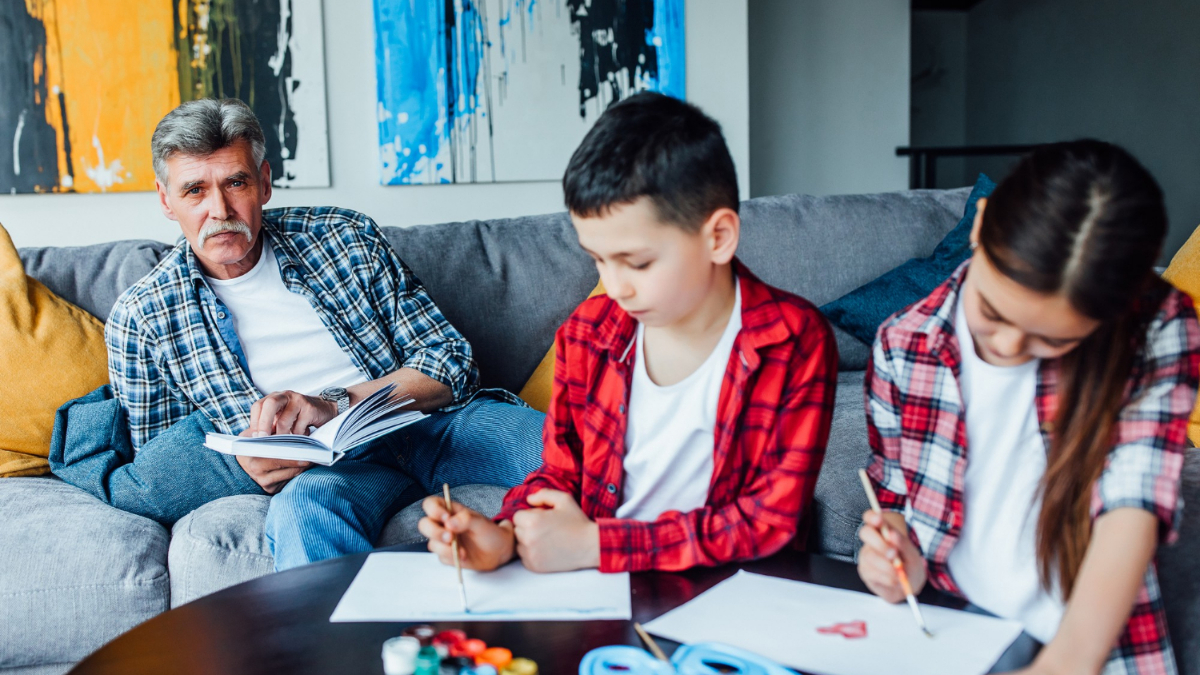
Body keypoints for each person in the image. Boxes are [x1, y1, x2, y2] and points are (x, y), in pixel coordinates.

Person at [94, 98, 544, 570]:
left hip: (433, 424)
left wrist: (335, 404)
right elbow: (161, 461)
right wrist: (244, 467)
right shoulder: (142, 317)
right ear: (167, 200)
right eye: (194, 191)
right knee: (304, 513)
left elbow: (450, 360)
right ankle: (336, 647)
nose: (219, 209)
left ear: (264, 183)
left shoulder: (342, 236)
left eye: (235, 182)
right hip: (331, 470)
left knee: (571, 451)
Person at [418, 92, 838, 574]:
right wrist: (506, 534)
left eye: (637, 263)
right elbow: (561, 475)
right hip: (601, 587)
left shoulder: (793, 340)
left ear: (717, 237)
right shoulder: (588, 334)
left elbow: (767, 521)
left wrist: (599, 546)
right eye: (598, 260)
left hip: (737, 592)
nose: (614, 287)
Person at [858, 140, 1199, 673]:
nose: (1010, 348)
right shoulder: (902, 345)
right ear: (981, 225)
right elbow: (895, 505)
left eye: (1050, 341)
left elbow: (1134, 508)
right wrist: (895, 555)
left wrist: (1063, 665)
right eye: (992, 312)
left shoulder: (1157, 331)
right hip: (951, 633)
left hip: (1092, 646)